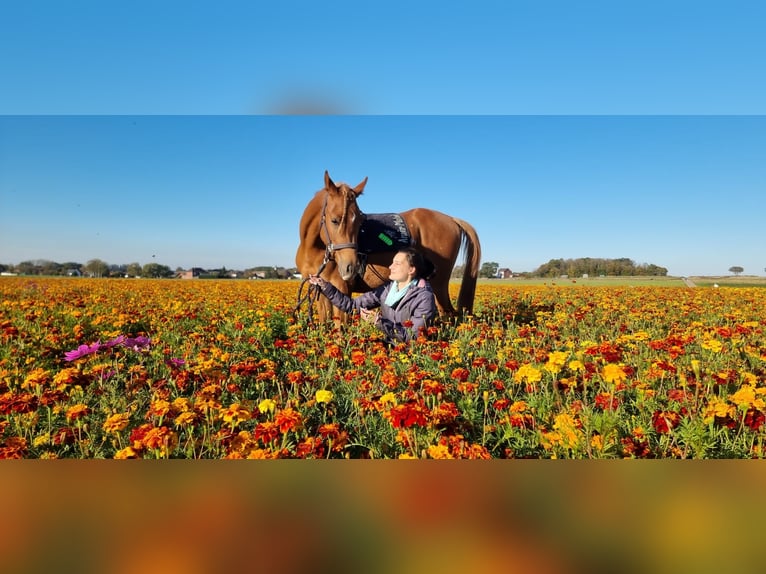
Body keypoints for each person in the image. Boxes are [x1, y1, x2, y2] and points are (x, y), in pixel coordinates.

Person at [308, 247, 437, 343]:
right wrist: (324, 286)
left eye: (397, 263)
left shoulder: (424, 296)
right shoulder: (387, 289)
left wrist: (379, 322)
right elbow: (352, 306)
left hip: (410, 353)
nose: (391, 267)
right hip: (389, 346)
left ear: (411, 270)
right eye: (392, 262)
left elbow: (413, 337)